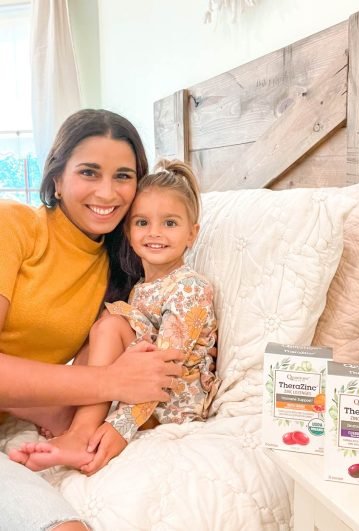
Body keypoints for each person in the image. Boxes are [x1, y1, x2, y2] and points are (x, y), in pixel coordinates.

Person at [0, 109, 184, 530]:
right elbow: (105, 377)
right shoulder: (13, 226)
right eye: (89, 172)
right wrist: (112, 381)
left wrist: (84, 424)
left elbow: (100, 361)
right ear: (56, 178)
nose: (107, 192)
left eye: (123, 175)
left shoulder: (121, 266)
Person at [9, 159, 220, 476]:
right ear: (128, 230)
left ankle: (80, 434)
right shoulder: (141, 288)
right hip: (137, 387)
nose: (155, 234)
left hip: (171, 401)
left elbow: (165, 369)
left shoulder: (190, 288)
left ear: (192, 234)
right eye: (142, 223)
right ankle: (69, 419)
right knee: (103, 326)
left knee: (110, 326)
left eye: (170, 224)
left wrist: (119, 429)